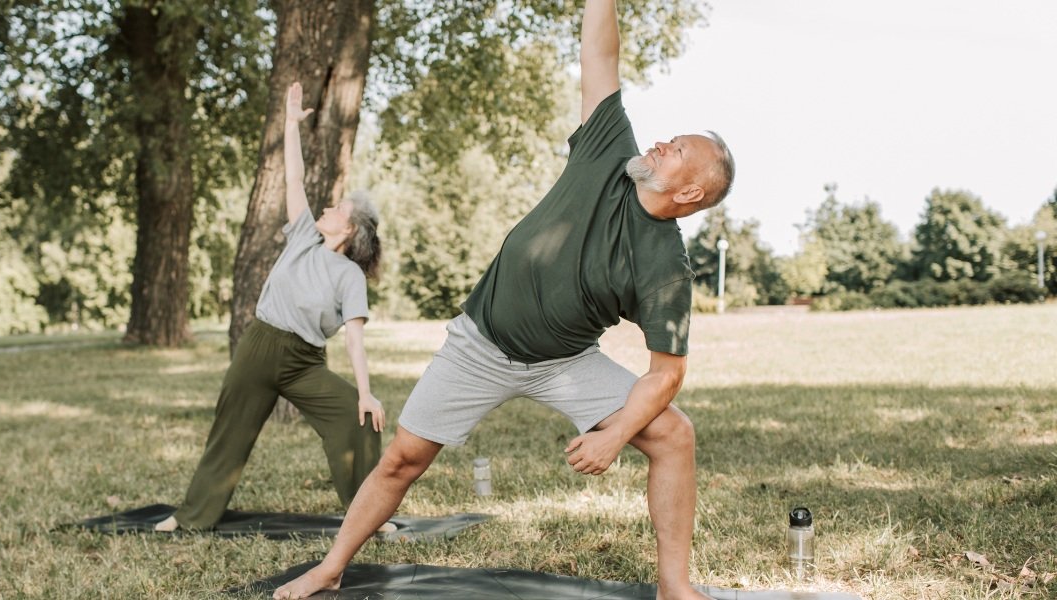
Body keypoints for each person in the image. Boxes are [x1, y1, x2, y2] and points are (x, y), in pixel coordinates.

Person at [275, 0, 734, 597]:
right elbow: (599, 54)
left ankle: (675, 587)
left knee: (674, 434)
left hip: (563, 362)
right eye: (667, 138)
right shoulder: (608, 152)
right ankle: (329, 568)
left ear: (691, 190)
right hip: (480, 343)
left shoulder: (665, 266)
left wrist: (614, 433)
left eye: (674, 149)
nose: (658, 143)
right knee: (402, 461)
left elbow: (666, 375)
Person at [155, 82, 386, 533]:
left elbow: (355, 339)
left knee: (356, 418)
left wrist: (365, 392)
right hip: (260, 347)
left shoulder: (349, 276)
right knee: (229, 432)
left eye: (336, 207)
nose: (326, 206)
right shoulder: (303, 235)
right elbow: (294, 177)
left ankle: (369, 518)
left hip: (303, 362)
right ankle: (191, 518)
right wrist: (290, 124)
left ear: (351, 228)